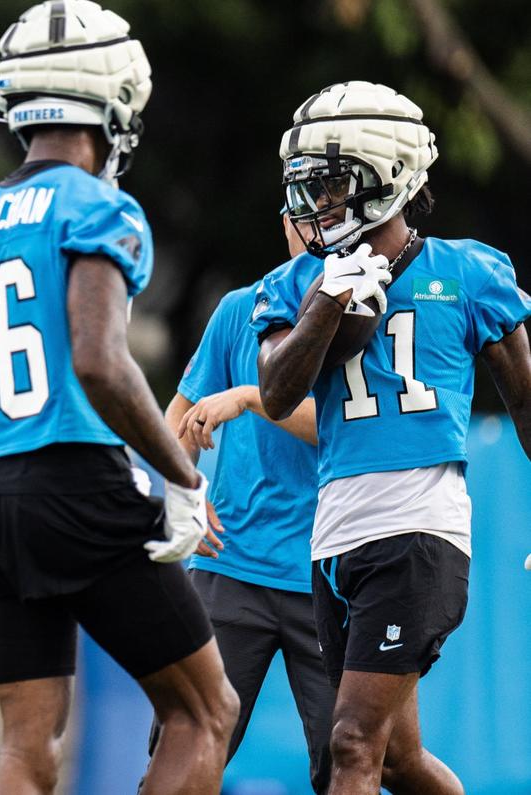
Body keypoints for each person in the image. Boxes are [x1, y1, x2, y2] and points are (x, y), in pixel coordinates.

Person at [0, 3, 239, 793]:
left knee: (26, 749)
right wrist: (181, 475)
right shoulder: (98, 205)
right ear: (112, 99)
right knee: (204, 712)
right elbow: (101, 363)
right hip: (77, 482)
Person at [253, 81, 531, 793]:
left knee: (349, 745)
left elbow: (528, 400)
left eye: (335, 183)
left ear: (389, 178)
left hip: (419, 529)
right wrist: (327, 302)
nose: (319, 204)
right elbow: (278, 391)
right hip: (336, 534)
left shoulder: (467, 272)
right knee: (399, 761)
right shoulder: (297, 283)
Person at [145, 210, 334, 793]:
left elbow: (345, 430)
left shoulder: (355, 318)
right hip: (230, 569)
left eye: (327, 213)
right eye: (303, 215)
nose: (314, 229)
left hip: (326, 572)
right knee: (183, 745)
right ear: (283, 224)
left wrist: (253, 397)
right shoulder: (239, 309)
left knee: (348, 757)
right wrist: (186, 492)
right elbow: (178, 416)